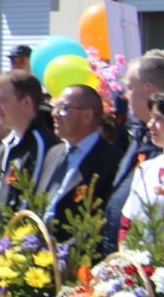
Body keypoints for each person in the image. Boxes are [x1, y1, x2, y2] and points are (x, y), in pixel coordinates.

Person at [0, 71, 65, 251]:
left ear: (26, 102)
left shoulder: (42, 147)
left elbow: (30, 206)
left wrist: (11, 254)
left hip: (12, 258)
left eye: (3, 100)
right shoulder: (4, 147)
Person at [106, 51, 164, 241]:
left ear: (149, 90)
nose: (125, 96)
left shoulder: (155, 143)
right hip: (129, 257)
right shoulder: (135, 135)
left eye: (130, 88)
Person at [46, 84, 120, 238]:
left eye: (64, 108)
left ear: (87, 115)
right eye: (55, 107)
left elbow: (101, 221)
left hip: (75, 255)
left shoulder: (111, 161)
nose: (55, 114)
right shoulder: (53, 153)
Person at [118, 93, 164, 241]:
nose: (150, 124)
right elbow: (126, 224)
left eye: (159, 118)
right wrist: (126, 261)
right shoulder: (146, 169)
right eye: (152, 117)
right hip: (141, 260)